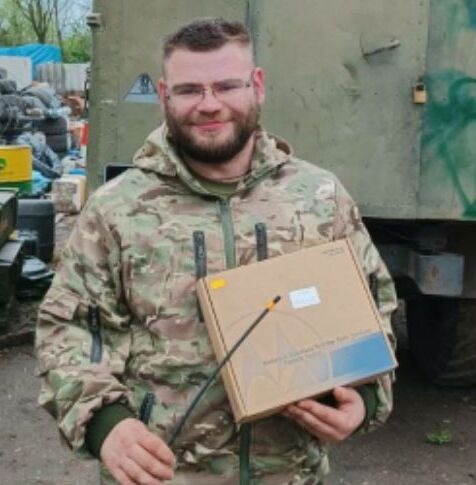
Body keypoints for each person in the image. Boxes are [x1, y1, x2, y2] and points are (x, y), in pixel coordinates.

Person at [36, 17, 397, 485]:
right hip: (161, 475)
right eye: (189, 90)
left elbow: (373, 309)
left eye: (226, 86)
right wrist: (106, 423)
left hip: (290, 474)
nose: (209, 104)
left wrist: (362, 400)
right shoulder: (117, 209)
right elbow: (68, 329)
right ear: (164, 95)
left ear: (257, 86)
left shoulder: (319, 198)